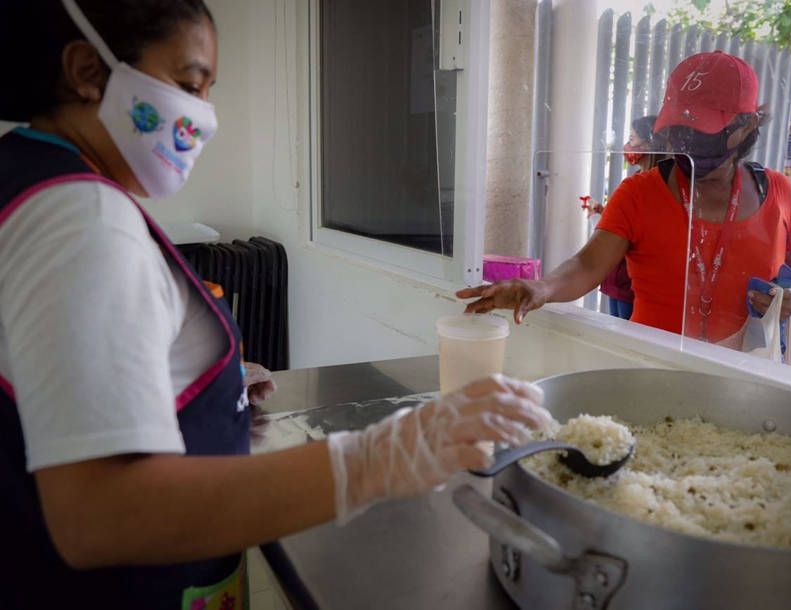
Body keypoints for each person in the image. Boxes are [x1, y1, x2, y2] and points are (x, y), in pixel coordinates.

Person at [0, 2, 550, 608]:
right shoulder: (82, 219)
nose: (203, 116)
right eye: (187, 85)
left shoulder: (26, 177)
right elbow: (99, 516)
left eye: (209, 92)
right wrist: (372, 461)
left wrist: (208, 385)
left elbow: (51, 369)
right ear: (86, 70)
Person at [459, 51, 791, 348]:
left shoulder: (777, 193)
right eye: (679, 129)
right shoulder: (639, 193)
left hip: (744, 376)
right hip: (651, 366)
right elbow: (588, 266)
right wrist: (541, 289)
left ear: (747, 126)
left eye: (701, 130)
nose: (686, 143)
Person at [595, 114, 668, 320]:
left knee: (628, 334)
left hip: (632, 281)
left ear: (648, 145)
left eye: (633, 139)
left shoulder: (660, 187)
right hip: (616, 277)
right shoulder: (634, 181)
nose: (628, 145)